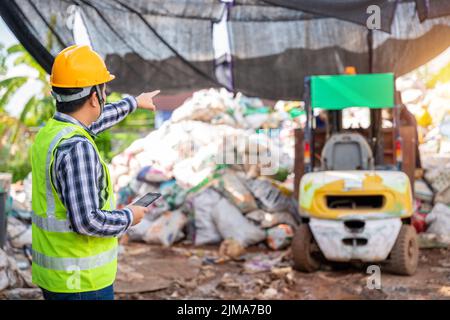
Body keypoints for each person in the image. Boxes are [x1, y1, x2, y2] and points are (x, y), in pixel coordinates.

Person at [31, 45, 159, 300]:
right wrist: (128, 216)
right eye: (103, 90)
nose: (105, 96)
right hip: (81, 282)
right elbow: (87, 221)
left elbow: (96, 120)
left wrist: (134, 102)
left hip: (58, 277)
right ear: (93, 97)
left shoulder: (52, 132)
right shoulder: (78, 148)